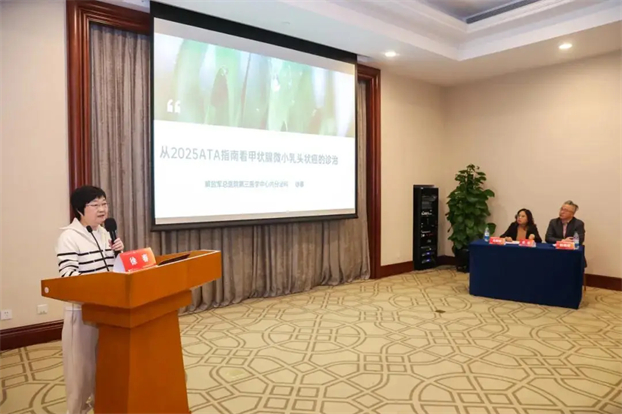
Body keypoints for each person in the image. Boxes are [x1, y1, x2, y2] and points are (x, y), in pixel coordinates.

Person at [55, 186, 124, 414]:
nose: (102, 209)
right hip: (82, 312)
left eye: (104, 203)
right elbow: (68, 276)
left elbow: (112, 272)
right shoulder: (69, 237)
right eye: (95, 205)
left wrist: (119, 255)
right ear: (79, 209)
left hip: (107, 310)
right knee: (80, 373)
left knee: (103, 368)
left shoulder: (105, 233)